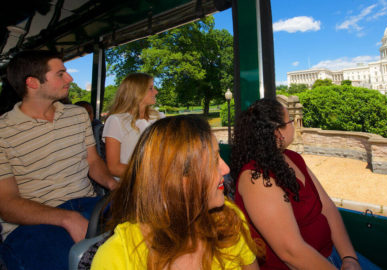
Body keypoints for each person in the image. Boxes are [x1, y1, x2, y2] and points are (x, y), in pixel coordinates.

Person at [92, 115, 261, 270]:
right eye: (213, 159)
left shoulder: (227, 221)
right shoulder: (118, 256)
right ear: (176, 178)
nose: (226, 169)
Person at [0, 50, 117, 270]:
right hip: (33, 222)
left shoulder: (77, 115)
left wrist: (115, 185)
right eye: (61, 74)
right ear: (33, 83)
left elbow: (93, 162)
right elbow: (6, 204)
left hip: (89, 204)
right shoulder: (3, 131)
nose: (70, 78)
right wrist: (66, 218)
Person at [231, 99, 378, 270]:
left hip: (333, 254)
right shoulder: (256, 178)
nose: (294, 125)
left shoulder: (293, 158)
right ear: (278, 132)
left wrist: (349, 257)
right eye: (290, 121)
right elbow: (291, 252)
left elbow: (327, 208)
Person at [102, 73, 165, 179]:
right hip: (131, 185)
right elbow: (114, 167)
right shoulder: (116, 121)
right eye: (151, 88)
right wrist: (150, 175)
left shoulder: (160, 117)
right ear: (137, 92)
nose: (156, 92)